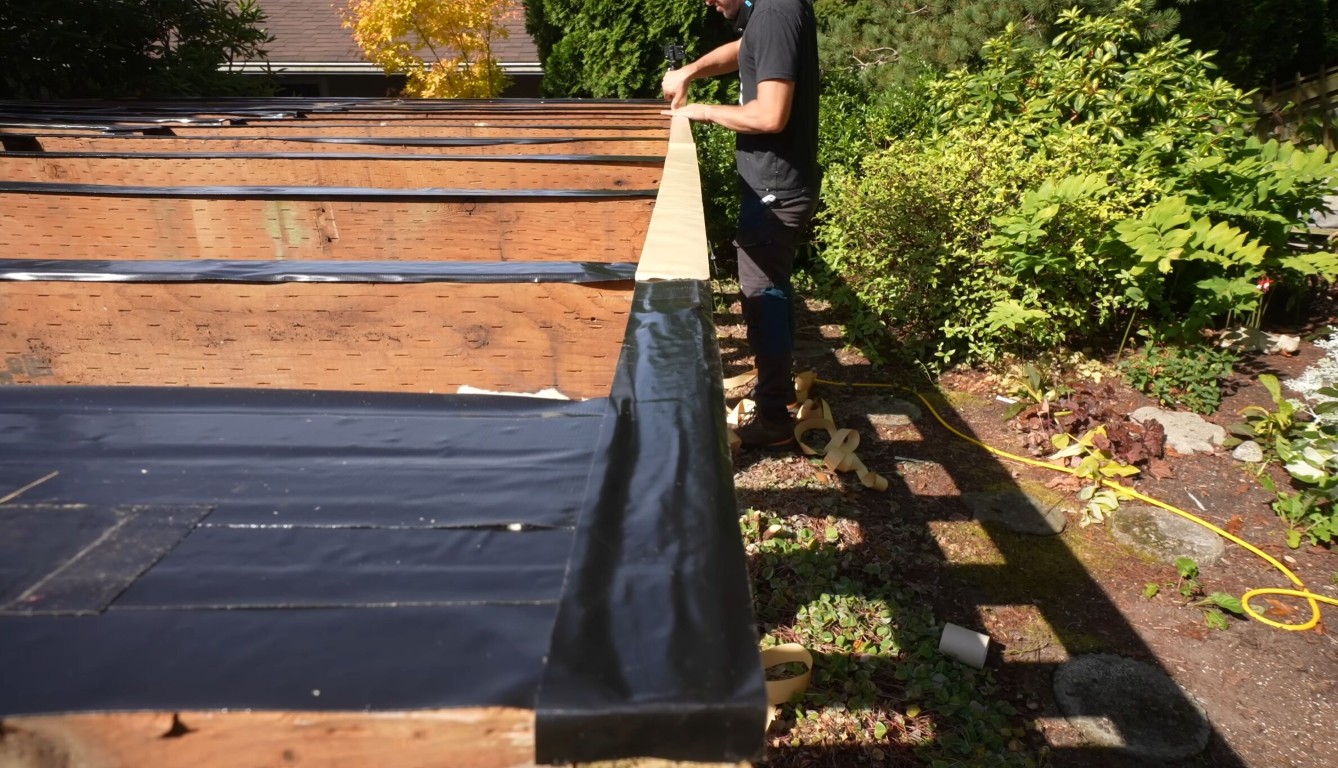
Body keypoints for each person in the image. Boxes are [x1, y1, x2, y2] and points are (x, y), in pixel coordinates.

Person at [662, 0, 819, 449]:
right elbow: (743, 50)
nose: (709, 2)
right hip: (781, 184)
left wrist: (703, 110)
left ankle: (773, 418)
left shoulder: (773, 12)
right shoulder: (773, 12)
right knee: (773, 285)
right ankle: (781, 395)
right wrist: (691, 70)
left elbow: (769, 116)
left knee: (761, 295)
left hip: (776, 192)